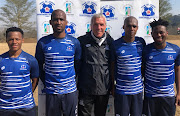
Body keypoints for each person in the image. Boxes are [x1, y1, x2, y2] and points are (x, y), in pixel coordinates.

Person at [35, 9, 81, 116]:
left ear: (66, 22)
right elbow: (39, 66)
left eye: (61, 19)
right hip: (52, 93)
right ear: (50, 22)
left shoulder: (74, 42)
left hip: (70, 92)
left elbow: (78, 65)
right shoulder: (43, 42)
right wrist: (48, 82)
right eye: (55, 19)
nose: (58, 22)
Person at [77, 13, 114, 116]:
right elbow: (77, 64)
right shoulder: (81, 41)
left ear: (105, 26)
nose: (99, 27)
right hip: (86, 89)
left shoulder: (111, 43)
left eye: (101, 25)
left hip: (104, 89)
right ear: (91, 26)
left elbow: (113, 65)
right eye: (96, 24)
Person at [143, 19, 180, 116]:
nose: (159, 35)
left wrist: (179, 93)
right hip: (150, 96)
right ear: (152, 34)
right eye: (156, 32)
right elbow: (142, 70)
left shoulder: (175, 50)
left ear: (166, 33)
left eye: (161, 32)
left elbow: (177, 71)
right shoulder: (146, 50)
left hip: (168, 97)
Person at [0, 27, 39, 116]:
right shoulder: (1, 60)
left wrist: (27, 94)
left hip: (26, 107)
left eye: (17, 39)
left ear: (22, 40)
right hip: (5, 107)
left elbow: (35, 80)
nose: (14, 42)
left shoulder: (31, 60)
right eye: (11, 39)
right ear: (6, 40)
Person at [111, 16, 146, 116]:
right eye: (129, 26)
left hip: (138, 91)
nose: (131, 29)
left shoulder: (141, 42)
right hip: (122, 91)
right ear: (123, 27)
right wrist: (112, 85)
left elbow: (143, 64)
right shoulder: (116, 44)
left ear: (137, 28)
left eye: (134, 26)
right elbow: (112, 66)